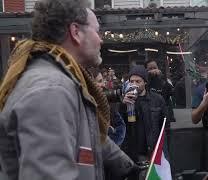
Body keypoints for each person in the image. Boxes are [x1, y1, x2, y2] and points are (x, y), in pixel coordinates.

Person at [0, 0, 136, 179]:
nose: (101, 39)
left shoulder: (65, 81)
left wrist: (131, 169)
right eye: (97, 31)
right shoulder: (51, 90)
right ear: (76, 32)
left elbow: (92, 137)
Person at [121, 65, 168, 180]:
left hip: (153, 152)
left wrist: (164, 153)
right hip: (133, 154)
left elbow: (165, 126)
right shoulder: (126, 100)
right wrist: (123, 106)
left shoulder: (157, 99)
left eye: (138, 81)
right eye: (131, 81)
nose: (134, 84)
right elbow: (120, 128)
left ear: (145, 82)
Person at [92, 70, 126, 146]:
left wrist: (113, 143)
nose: (103, 84)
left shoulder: (107, 100)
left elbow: (120, 125)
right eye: (99, 81)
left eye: (102, 81)